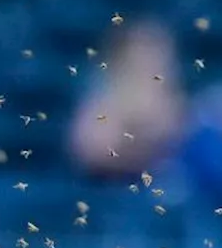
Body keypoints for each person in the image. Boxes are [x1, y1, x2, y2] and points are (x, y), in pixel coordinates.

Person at [68, 22, 185, 177]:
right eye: (143, 53)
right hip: (111, 188)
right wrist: (135, 129)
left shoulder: (179, 106)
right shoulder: (101, 103)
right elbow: (90, 151)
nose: (151, 63)